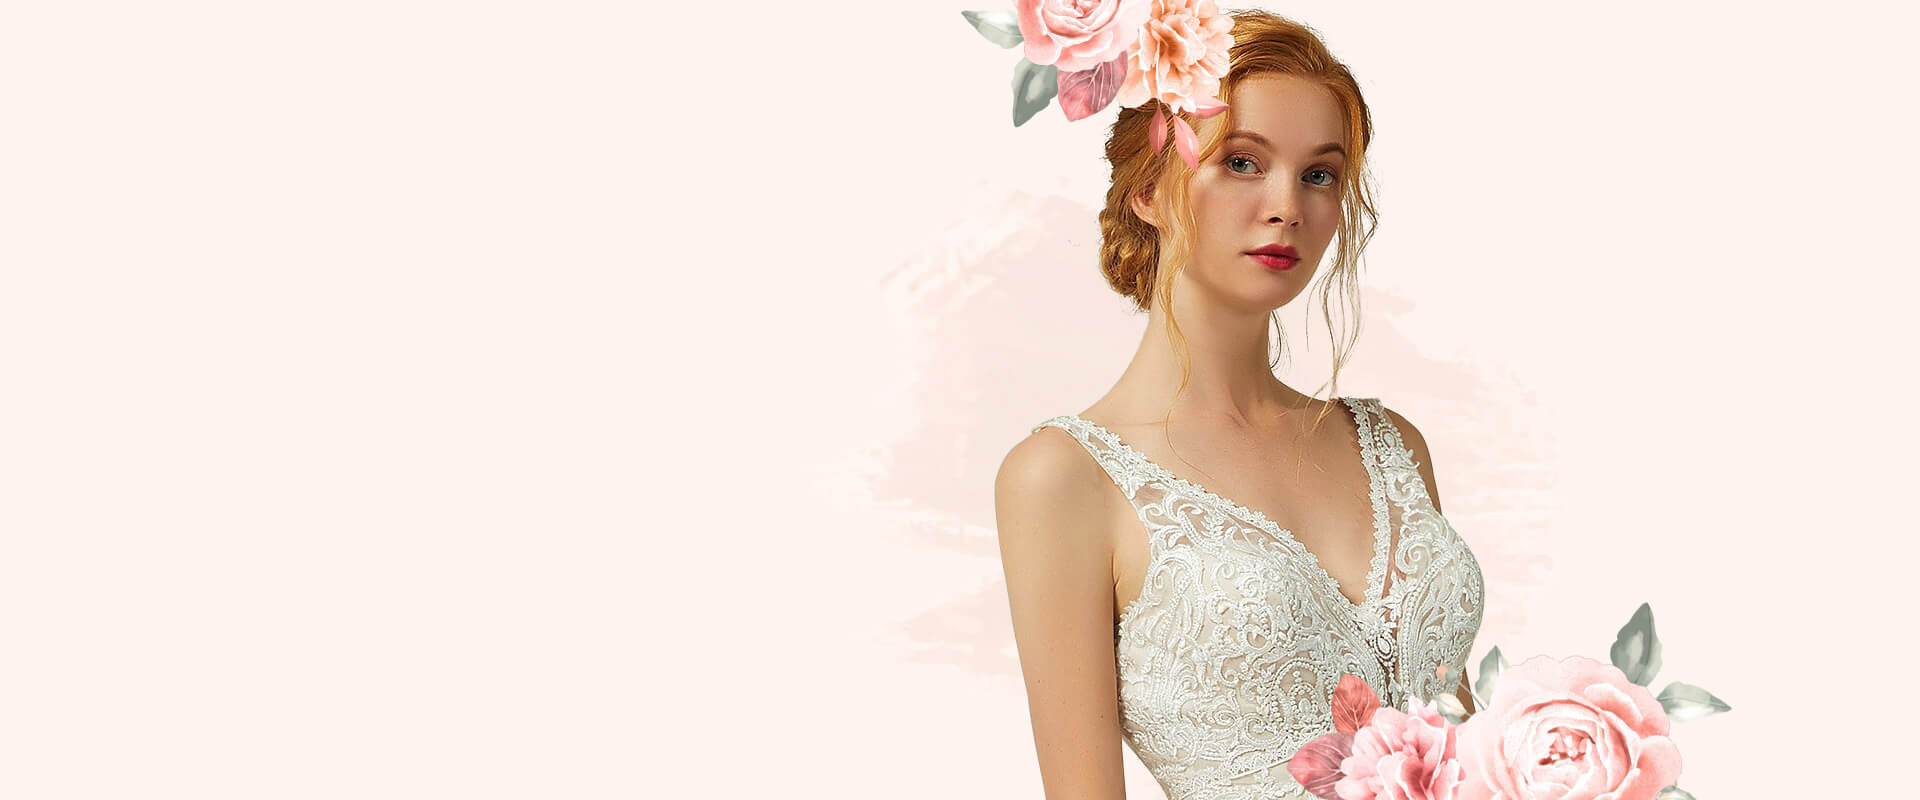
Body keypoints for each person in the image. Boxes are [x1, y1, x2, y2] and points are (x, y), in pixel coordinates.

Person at [993, 10, 1486, 800]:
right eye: (1242, 162)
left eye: (1319, 175)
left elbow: (1462, 745)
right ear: (1148, 190)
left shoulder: (1392, 444)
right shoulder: (1063, 478)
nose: (1287, 204)